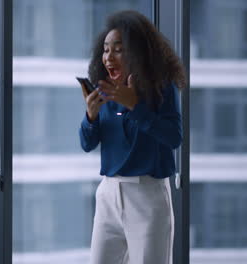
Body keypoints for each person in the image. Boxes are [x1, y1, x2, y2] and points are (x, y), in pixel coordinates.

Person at [78, 10, 186, 264]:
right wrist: (90, 117)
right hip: (108, 194)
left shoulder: (162, 87)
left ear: (137, 53)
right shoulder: (105, 89)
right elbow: (86, 144)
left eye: (118, 49)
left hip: (147, 197)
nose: (108, 57)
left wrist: (136, 106)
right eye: (105, 49)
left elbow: (174, 137)